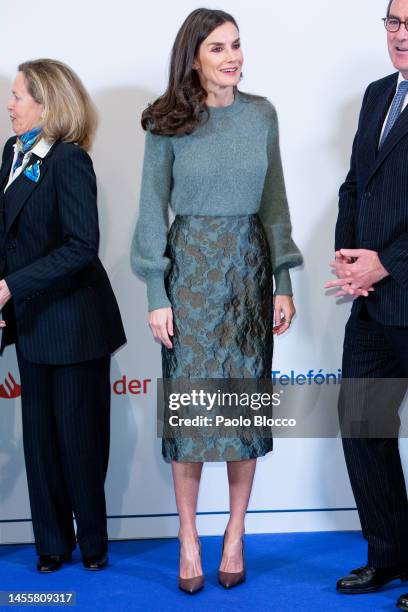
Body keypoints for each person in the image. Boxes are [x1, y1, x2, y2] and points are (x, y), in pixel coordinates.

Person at [131, 8, 302, 594]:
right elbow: (151, 210)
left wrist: (283, 280)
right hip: (190, 274)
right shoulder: (165, 122)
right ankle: (187, 536)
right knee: (192, 413)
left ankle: (234, 532)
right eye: (217, 48)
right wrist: (157, 291)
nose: (232, 57)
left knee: (243, 409)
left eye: (236, 45)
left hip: (250, 271)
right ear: (193, 56)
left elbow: (275, 202)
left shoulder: (262, 115)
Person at [0, 59, 126, 572]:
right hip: (30, 323)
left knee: (79, 441)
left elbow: (81, 246)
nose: (9, 105)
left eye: (17, 96)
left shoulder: (69, 160)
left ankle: (92, 543)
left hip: (74, 325)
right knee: (40, 445)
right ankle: (51, 544)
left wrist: (10, 287)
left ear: (47, 105)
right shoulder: (12, 153)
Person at [325, 1, 408, 608]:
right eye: (395, 22)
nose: (402, 35)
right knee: (364, 425)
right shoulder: (379, 93)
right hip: (374, 304)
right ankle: (389, 556)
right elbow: (355, 184)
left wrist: (391, 261)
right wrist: (349, 259)